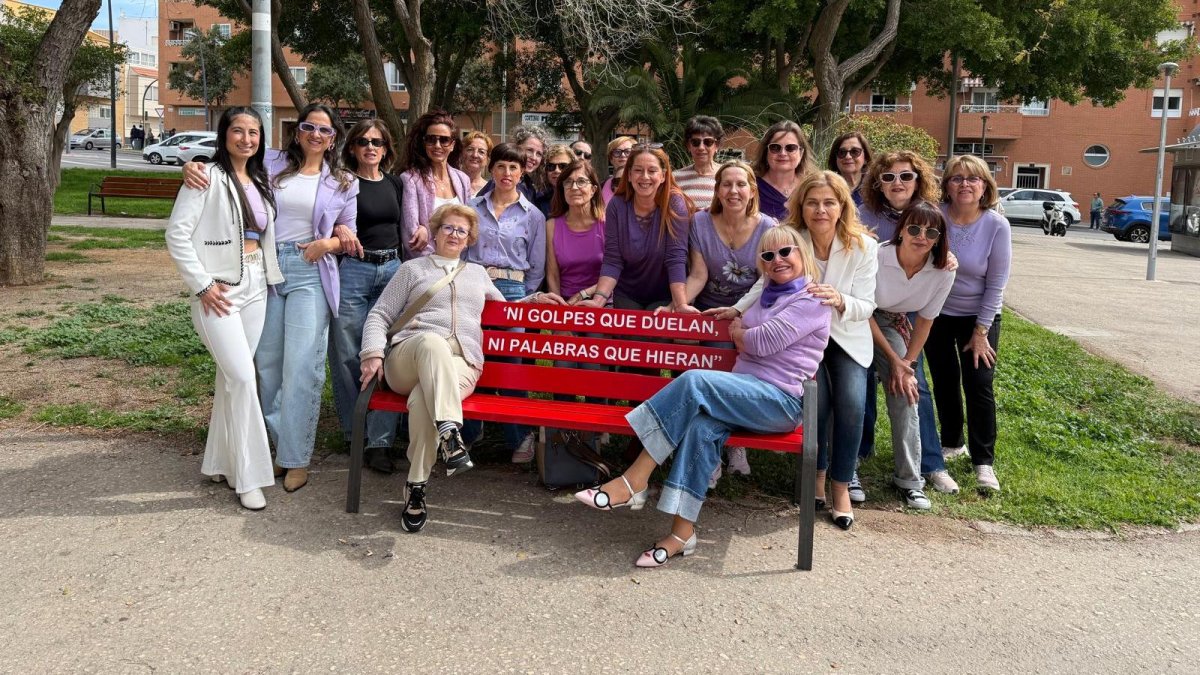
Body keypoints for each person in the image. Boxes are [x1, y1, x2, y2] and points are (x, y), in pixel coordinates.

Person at [573, 226, 830, 567]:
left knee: (695, 381)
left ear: (802, 254)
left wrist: (741, 334)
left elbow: (765, 342)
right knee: (701, 428)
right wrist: (742, 328)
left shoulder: (813, 299)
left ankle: (634, 479)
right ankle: (682, 534)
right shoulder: (767, 294)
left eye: (786, 252)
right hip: (743, 394)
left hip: (779, 402)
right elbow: (755, 335)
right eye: (768, 256)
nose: (777, 260)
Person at [180, 103, 362, 494]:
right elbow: (232, 165)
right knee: (265, 365)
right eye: (309, 127)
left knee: (302, 367)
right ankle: (273, 446)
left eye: (325, 130)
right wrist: (192, 164)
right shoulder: (272, 163)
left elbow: (348, 232)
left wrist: (329, 243)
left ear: (334, 139)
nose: (316, 135)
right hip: (264, 269)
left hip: (310, 269)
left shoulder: (344, 181)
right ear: (298, 130)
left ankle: (296, 458)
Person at [359, 204, 565, 533]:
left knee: (423, 401)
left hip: (462, 363)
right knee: (432, 343)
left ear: (469, 239)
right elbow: (380, 314)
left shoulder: (478, 274)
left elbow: (505, 310)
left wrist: (533, 301)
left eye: (462, 231)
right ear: (436, 232)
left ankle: (416, 486)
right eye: (448, 228)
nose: (454, 235)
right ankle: (450, 431)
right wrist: (371, 353)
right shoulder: (412, 270)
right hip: (409, 357)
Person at [721, 171, 877, 530]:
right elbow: (765, 280)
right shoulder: (793, 238)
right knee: (815, 404)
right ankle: (816, 477)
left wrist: (840, 299)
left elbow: (868, 305)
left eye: (829, 203)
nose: (820, 210)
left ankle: (841, 485)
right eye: (812, 202)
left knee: (853, 402)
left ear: (842, 206)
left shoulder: (863, 247)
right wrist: (738, 309)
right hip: (799, 340)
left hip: (846, 335)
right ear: (801, 207)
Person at [165, 107, 283, 511]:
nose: (246, 139)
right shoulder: (206, 176)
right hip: (220, 290)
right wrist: (201, 284)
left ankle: (219, 461)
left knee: (231, 379)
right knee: (244, 378)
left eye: (254, 132)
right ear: (224, 134)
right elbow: (177, 235)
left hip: (256, 285)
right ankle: (249, 477)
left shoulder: (262, 179)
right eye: (238, 131)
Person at [857, 150, 959, 497]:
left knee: (913, 384)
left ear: (918, 180)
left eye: (905, 176)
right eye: (888, 177)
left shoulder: (930, 218)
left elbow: (927, 319)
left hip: (903, 312)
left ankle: (927, 466)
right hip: (864, 309)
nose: (897, 182)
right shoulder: (865, 214)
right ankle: (857, 454)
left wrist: (907, 363)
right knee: (859, 381)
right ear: (878, 184)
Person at [676, 160, 776, 479]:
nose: (734, 191)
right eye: (727, 184)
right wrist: (678, 304)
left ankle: (735, 443)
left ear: (752, 190)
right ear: (717, 190)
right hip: (711, 311)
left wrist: (740, 311)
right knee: (711, 361)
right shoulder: (700, 222)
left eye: (741, 184)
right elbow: (699, 274)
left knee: (739, 366)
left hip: (752, 310)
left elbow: (766, 280)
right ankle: (710, 447)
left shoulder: (768, 228)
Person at [930, 155, 1011, 493]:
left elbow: (997, 283)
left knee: (979, 383)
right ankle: (952, 442)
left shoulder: (996, 226)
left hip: (979, 316)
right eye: (957, 178)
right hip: (936, 313)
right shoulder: (935, 217)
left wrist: (981, 332)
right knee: (945, 379)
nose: (965, 184)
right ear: (947, 186)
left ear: (984, 186)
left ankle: (983, 461)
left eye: (973, 178)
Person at [329, 119, 405, 475]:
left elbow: (403, 225)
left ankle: (380, 441)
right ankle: (354, 431)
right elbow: (322, 217)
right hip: (355, 270)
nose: (370, 147)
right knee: (348, 353)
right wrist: (336, 227)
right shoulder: (341, 182)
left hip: (391, 270)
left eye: (376, 142)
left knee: (385, 353)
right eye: (362, 141)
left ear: (386, 148)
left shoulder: (395, 183)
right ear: (352, 147)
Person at [869, 202, 956, 510]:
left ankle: (910, 480)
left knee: (906, 390)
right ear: (902, 230)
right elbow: (864, 311)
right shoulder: (877, 256)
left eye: (931, 232)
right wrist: (894, 360)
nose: (921, 236)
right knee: (854, 389)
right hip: (858, 319)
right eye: (915, 228)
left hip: (894, 323)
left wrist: (907, 364)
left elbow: (925, 321)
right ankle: (847, 470)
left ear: (939, 238)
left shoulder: (943, 270)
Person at [466, 143, 548, 463]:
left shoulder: (533, 215)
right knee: (472, 356)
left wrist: (524, 298)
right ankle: (470, 431)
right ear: (491, 169)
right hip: (475, 285)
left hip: (514, 290)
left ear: (522, 172)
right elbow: (461, 251)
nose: (507, 173)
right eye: (501, 166)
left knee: (511, 363)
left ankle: (519, 436)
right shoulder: (472, 208)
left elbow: (537, 266)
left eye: (514, 167)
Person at [579, 144, 692, 314]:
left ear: (663, 176)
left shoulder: (674, 203)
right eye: (638, 170)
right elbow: (613, 258)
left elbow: (675, 257)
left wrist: (680, 304)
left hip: (665, 293)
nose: (645, 177)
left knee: (656, 327)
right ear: (630, 175)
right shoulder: (616, 205)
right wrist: (598, 300)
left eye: (652, 171)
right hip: (627, 292)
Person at [399, 109, 472, 259]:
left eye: (444, 140)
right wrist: (437, 263)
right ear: (424, 143)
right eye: (431, 139)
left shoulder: (463, 180)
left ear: (452, 145)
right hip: (424, 264)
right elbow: (411, 236)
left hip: (456, 263)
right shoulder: (411, 179)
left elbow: (467, 227)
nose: (437, 145)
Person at [546, 159, 606, 304]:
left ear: (593, 190)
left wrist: (584, 294)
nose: (574, 187)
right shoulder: (551, 226)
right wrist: (560, 308)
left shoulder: (608, 224)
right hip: (565, 302)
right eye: (568, 182)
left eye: (581, 181)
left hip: (602, 301)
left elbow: (616, 273)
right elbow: (552, 275)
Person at [753, 121, 815, 221]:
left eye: (790, 148)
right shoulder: (751, 186)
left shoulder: (811, 187)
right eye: (775, 147)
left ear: (801, 153)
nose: (782, 153)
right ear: (766, 152)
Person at [673, 115, 724, 210]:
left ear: (716, 145)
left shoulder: (726, 175)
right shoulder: (675, 178)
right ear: (688, 146)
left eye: (708, 142)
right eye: (695, 142)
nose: (701, 147)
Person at [827, 131, 871, 206]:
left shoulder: (875, 188)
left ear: (866, 158)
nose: (848, 157)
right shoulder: (827, 187)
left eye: (855, 151)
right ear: (835, 158)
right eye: (842, 152)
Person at [535, 144, 574, 217]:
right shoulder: (538, 200)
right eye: (551, 166)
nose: (556, 170)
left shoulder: (581, 197)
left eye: (563, 166)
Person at [601, 136, 636, 204]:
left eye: (628, 152)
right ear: (611, 159)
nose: (622, 155)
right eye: (617, 152)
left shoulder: (643, 184)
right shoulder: (602, 186)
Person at [459, 131, 493, 197]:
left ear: (487, 158)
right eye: (470, 149)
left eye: (481, 152)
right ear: (461, 153)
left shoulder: (491, 190)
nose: (475, 155)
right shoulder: (450, 183)